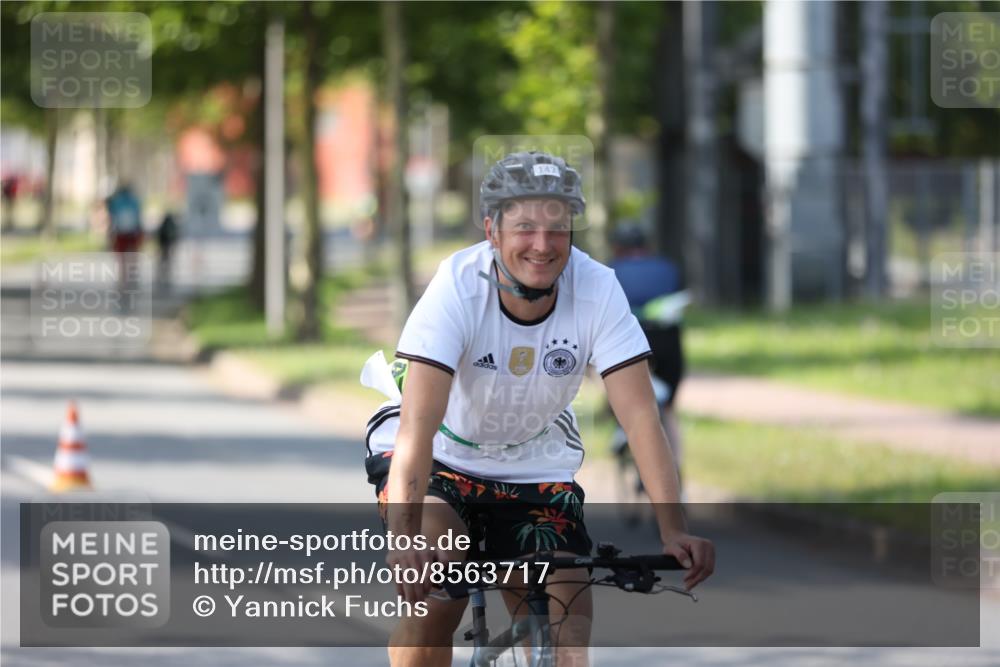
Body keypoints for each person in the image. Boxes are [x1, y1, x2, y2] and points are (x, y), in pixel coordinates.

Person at [363, 151, 714, 667]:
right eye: (525, 227)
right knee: (439, 589)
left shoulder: (596, 287)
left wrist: (673, 528)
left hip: (532, 461)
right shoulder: (458, 286)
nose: (543, 245)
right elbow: (418, 428)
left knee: (567, 626)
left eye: (557, 229)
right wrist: (405, 539)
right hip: (440, 455)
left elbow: (641, 416)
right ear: (492, 230)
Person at [608, 222, 689, 491]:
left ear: (617, 247)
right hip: (669, 345)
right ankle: (676, 477)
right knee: (668, 410)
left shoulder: (610, 272)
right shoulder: (668, 268)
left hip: (629, 345)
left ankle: (622, 430)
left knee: (614, 387)